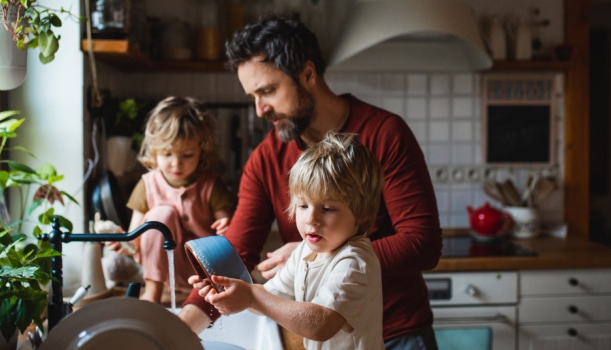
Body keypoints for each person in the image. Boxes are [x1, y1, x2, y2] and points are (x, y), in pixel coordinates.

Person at [179, 16, 442, 350]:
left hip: (398, 334)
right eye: (253, 96)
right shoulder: (266, 158)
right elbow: (237, 254)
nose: (260, 110)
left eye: (268, 91)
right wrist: (182, 328)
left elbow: (422, 243)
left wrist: (319, 253)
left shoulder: (384, 134)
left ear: (307, 74)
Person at [193, 132, 385, 349]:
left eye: (328, 209)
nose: (311, 218)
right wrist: (231, 290)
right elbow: (268, 300)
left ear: (362, 213)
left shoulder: (353, 261)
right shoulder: (304, 252)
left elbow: (320, 325)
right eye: (303, 206)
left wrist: (252, 297)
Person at [102, 96, 233, 303]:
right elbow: (134, 239)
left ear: (202, 151)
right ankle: (152, 291)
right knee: (160, 216)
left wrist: (227, 228)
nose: (176, 164)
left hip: (205, 270)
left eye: (187, 155)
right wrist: (123, 241)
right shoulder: (147, 184)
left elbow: (228, 232)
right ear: (154, 152)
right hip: (162, 271)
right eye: (167, 154)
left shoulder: (211, 184)